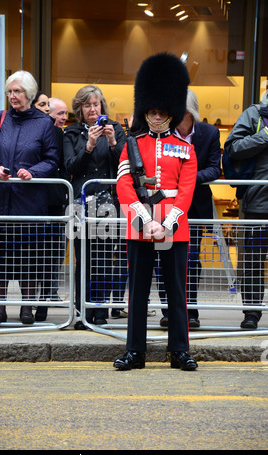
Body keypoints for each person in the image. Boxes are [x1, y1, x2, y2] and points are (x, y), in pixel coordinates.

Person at [113, 52, 198, 372]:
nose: (157, 117)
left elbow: (187, 191)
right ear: (144, 111)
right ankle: (135, 352)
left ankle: (179, 351)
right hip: (140, 226)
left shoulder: (186, 149)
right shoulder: (131, 145)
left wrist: (166, 224)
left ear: (172, 113)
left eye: (162, 112)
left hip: (173, 228)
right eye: (151, 111)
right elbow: (124, 186)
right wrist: (147, 221)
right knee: (138, 293)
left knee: (176, 292)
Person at [0, 70, 59, 325]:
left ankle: (26, 309)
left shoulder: (44, 123)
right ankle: (1, 308)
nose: (12, 96)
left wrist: (32, 172)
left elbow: (53, 159)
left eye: (18, 92)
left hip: (29, 201)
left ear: (29, 94)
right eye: (9, 92)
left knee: (29, 257)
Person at [63, 85, 126, 328]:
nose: (92, 109)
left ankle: (99, 313)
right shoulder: (72, 132)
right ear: (79, 108)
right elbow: (71, 167)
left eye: (96, 104)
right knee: (83, 259)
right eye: (87, 105)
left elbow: (124, 162)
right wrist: (89, 145)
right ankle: (82, 313)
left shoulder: (116, 129)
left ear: (102, 106)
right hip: (80, 203)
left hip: (106, 202)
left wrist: (111, 140)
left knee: (102, 260)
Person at [159, 89, 221, 328]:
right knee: (163, 260)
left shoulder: (209, 133)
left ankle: (190, 311)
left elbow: (215, 168)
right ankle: (167, 311)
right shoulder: (162, 132)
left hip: (194, 208)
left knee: (191, 260)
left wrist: (187, 178)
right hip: (166, 205)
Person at [224, 91, 268, 329]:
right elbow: (233, 148)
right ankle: (251, 313)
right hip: (257, 206)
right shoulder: (254, 114)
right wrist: (265, 136)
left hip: (258, 203)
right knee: (252, 262)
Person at [32, 90, 68, 321]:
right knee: (35, 254)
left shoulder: (59, 134)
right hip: (34, 200)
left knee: (52, 254)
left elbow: (64, 166)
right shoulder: (38, 132)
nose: (63, 116)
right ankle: (33, 302)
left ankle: (44, 300)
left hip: (55, 202)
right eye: (59, 112)